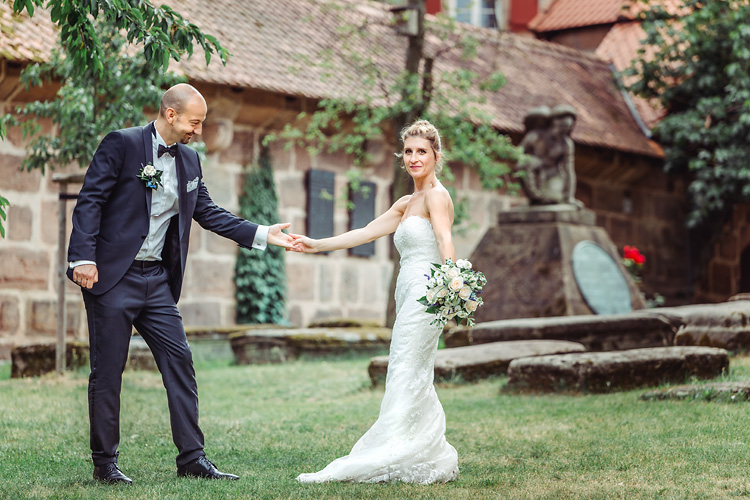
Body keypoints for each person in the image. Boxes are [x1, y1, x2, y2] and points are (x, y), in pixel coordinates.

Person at [67, 83, 294, 485]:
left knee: (181, 363)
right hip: (112, 278)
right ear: (171, 115)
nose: (199, 132)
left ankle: (192, 458)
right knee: (108, 371)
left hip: (157, 280)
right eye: (195, 122)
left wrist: (261, 233)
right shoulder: (122, 144)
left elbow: (208, 212)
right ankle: (105, 464)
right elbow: (91, 200)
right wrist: (82, 258)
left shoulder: (190, 161)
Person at [291, 119, 459, 484]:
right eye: (409, 151)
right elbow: (365, 232)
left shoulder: (436, 196)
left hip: (427, 296)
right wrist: (317, 244)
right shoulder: (406, 202)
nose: (414, 158)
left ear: (436, 156)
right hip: (408, 291)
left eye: (422, 152)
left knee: (405, 369)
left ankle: (391, 451)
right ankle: (421, 449)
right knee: (407, 369)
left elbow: (445, 241)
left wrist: (453, 287)